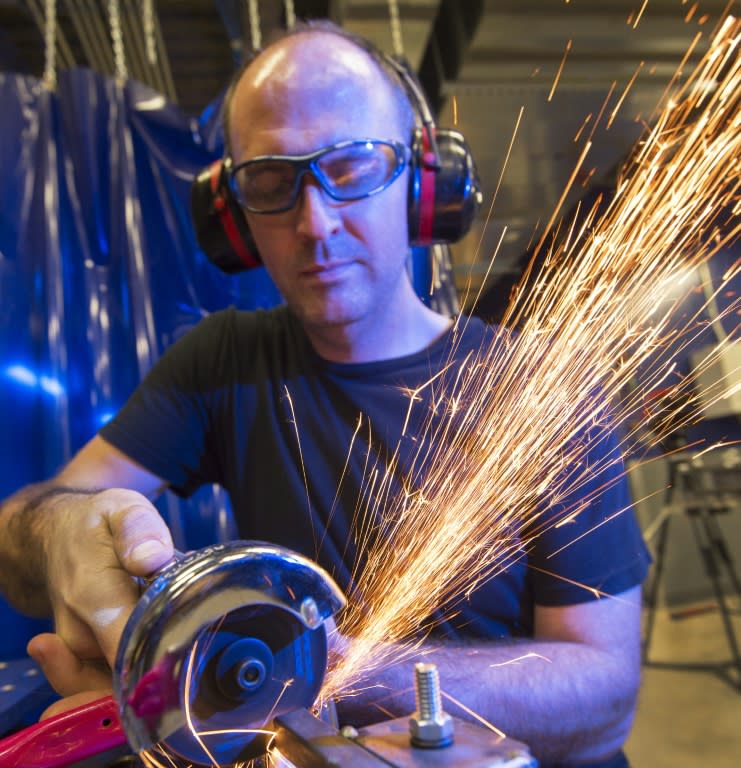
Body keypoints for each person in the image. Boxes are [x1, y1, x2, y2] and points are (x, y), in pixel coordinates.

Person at [0, 21, 649, 768]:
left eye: (350, 167)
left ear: (422, 180)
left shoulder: (541, 387)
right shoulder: (221, 362)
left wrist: (326, 663)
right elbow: (23, 525)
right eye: (271, 185)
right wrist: (62, 538)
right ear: (232, 218)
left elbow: (604, 701)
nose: (314, 224)